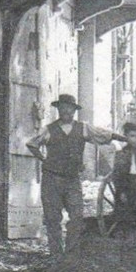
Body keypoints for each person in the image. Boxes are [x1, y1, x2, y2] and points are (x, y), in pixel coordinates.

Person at [26, 94, 123, 256]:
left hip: (72, 179)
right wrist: (44, 159)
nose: (66, 111)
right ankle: (56, 255)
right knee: (52, 218)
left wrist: (125, 138)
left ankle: (71, 254)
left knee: (77, 216)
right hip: (52, 179)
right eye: (63, 108)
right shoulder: (49, 129)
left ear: (74, 110)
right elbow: (31, 144)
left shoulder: (83, 128)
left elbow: (104, 134)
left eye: (69, 108)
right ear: (58, 109)